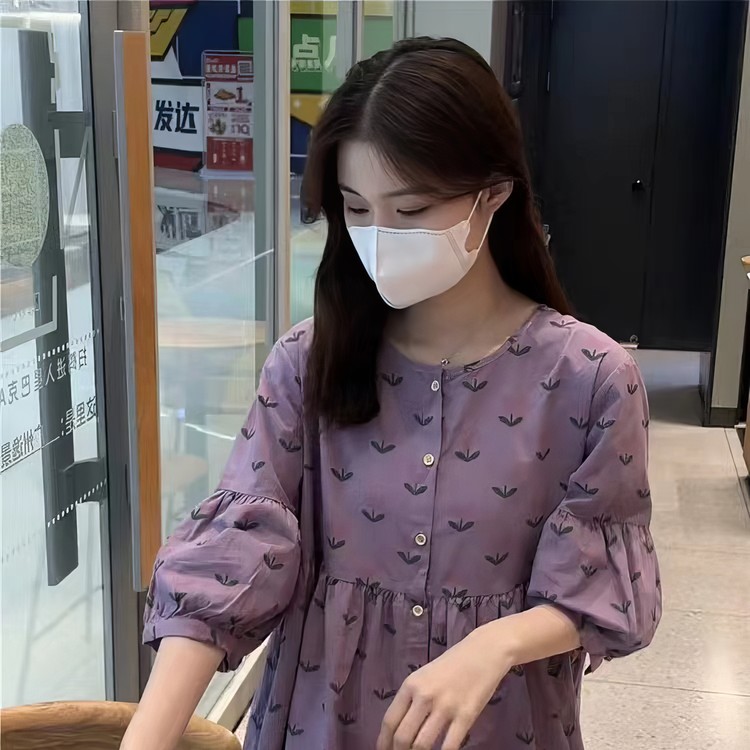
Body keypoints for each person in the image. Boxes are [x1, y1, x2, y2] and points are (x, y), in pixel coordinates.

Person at [122, 37, 662, 750]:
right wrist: (147, 737)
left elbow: (604, 582)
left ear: (493, 194)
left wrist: (496, 643)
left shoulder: (589, 378)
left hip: (501, 724)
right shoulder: (309, 361)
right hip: (320, 722)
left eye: (409, 211)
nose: (379, 236)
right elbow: (236, 552)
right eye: (356, 207)